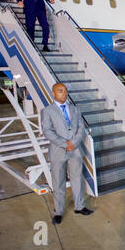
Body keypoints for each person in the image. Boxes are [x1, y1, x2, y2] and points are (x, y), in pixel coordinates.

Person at [41, 83, 93, 225]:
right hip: (58, 152)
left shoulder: (74, 109)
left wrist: (74, 143)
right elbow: (47, 131)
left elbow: (81, 128)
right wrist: (65, 144)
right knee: (58, 183)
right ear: (53, 93)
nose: (64, 93)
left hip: (75, 150)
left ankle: (79, 206)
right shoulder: (47, 111)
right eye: (60, 91)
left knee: (77, 179)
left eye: (65, 91)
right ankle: (58, 212)